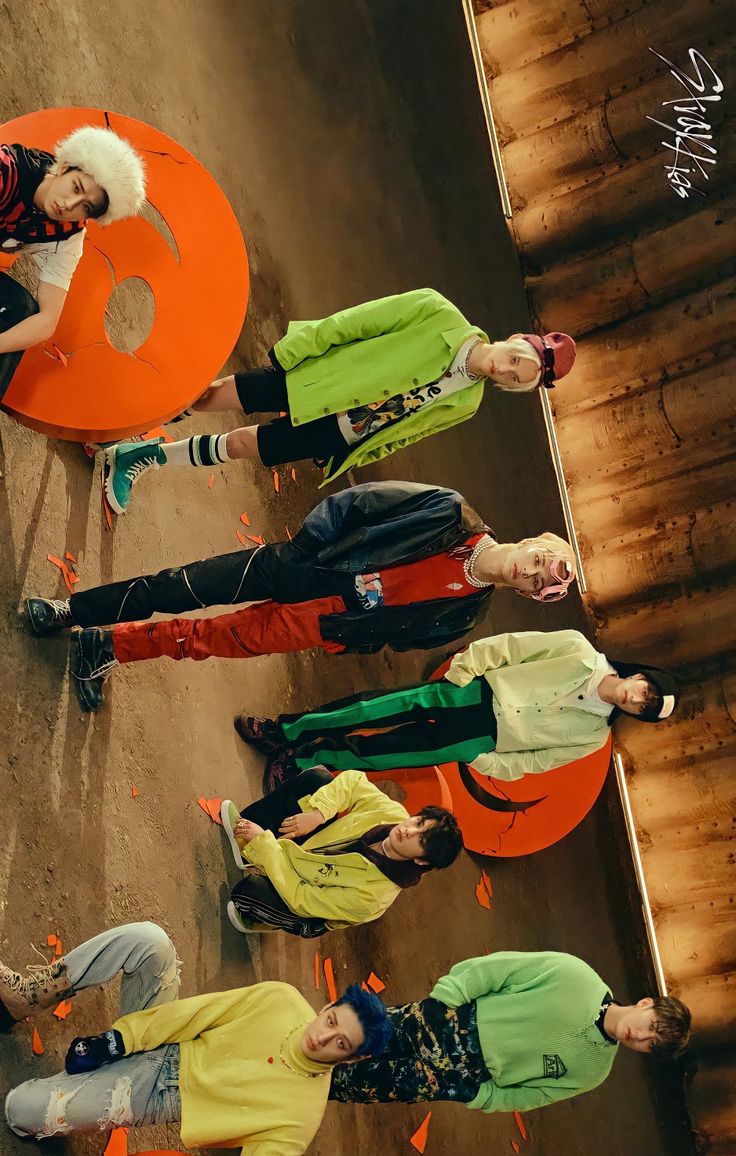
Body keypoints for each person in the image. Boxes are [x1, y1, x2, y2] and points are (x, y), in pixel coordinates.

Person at [24, 481, 576, 710]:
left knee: (206, 639)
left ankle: (104, 647)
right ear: (532, 542)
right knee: (178, 588)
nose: (531, 574)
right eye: (538, 563)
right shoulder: (450, 513)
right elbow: (357, 503)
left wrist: (347, 643)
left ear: (532, 596)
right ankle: (70, 610)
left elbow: (404, 641)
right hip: (306, 569)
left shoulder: (468, 610)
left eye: (539, 583)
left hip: (324, 623)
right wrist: (303, 547)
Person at [3, 922, 392, 1156]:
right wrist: (118, 1040)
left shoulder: (301, 1114)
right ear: (328, 1004)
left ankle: (78, 1090)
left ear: (350, 1061)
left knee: (20, 1110)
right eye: (331, 1020)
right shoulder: (283, 1000)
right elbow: (195, 1015)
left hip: (153, 1096)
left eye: (340, 1044)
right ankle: (31, 995)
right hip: (170, 1037)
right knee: (150, 942)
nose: (322, 1036)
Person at [99, 287, 576, 513]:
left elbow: (407, 433)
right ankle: (124, 423)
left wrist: (358, 452)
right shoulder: (437, 311)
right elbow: (356, 322)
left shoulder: (468, 402)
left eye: (519, 377)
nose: (508, 369)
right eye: (517, 359)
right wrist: (294, 352)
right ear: (515, 339)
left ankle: (139, 457)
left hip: (342, 431)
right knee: (216, 396)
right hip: (321, 378)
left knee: (247, 446)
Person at [237, 628, 680, 789]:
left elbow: (540, 762)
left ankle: (304, 760)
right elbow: (513, 648)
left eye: (645, 707)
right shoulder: (579, 651)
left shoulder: (594, 735)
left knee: (388, 752)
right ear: (639, 676)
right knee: (371, 709)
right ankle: (285, 730)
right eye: (646, 690)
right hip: (475, 691)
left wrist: (484, 760)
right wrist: (466, 668)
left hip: (483, 740)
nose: (637, 699)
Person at [326, 949, 692, 1110]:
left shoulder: (593, 1071)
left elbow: (531, 1097)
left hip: (460, 1076)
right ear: (646, 1004)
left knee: (349, 1087)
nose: (640, 1036)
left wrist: (479, 1096)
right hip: (449, 1020)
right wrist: (446, 998)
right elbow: (499, 969)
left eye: (651, 1043)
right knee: (346, 1035)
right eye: (651, 1026)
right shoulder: (575, 975)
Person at [218, 765, 463, 937]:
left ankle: (259, 919)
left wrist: (265, 846)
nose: (409, 830)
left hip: (307, 902)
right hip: (310, 852)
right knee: (318, 780)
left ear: (421, 861)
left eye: (421, 840)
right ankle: (246, 839)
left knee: (247, 892)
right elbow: (354, 782)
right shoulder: (393, 815)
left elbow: (303, 898)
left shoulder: (372, 897)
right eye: (419, 822)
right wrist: (317, 814)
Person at [0, 126, 145, 397]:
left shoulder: (67, 234)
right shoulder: (7, 171)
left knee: (22, 308)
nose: (70, 205)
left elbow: (46, 321)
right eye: (76, 187)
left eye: (86, 207)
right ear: (63, 167)